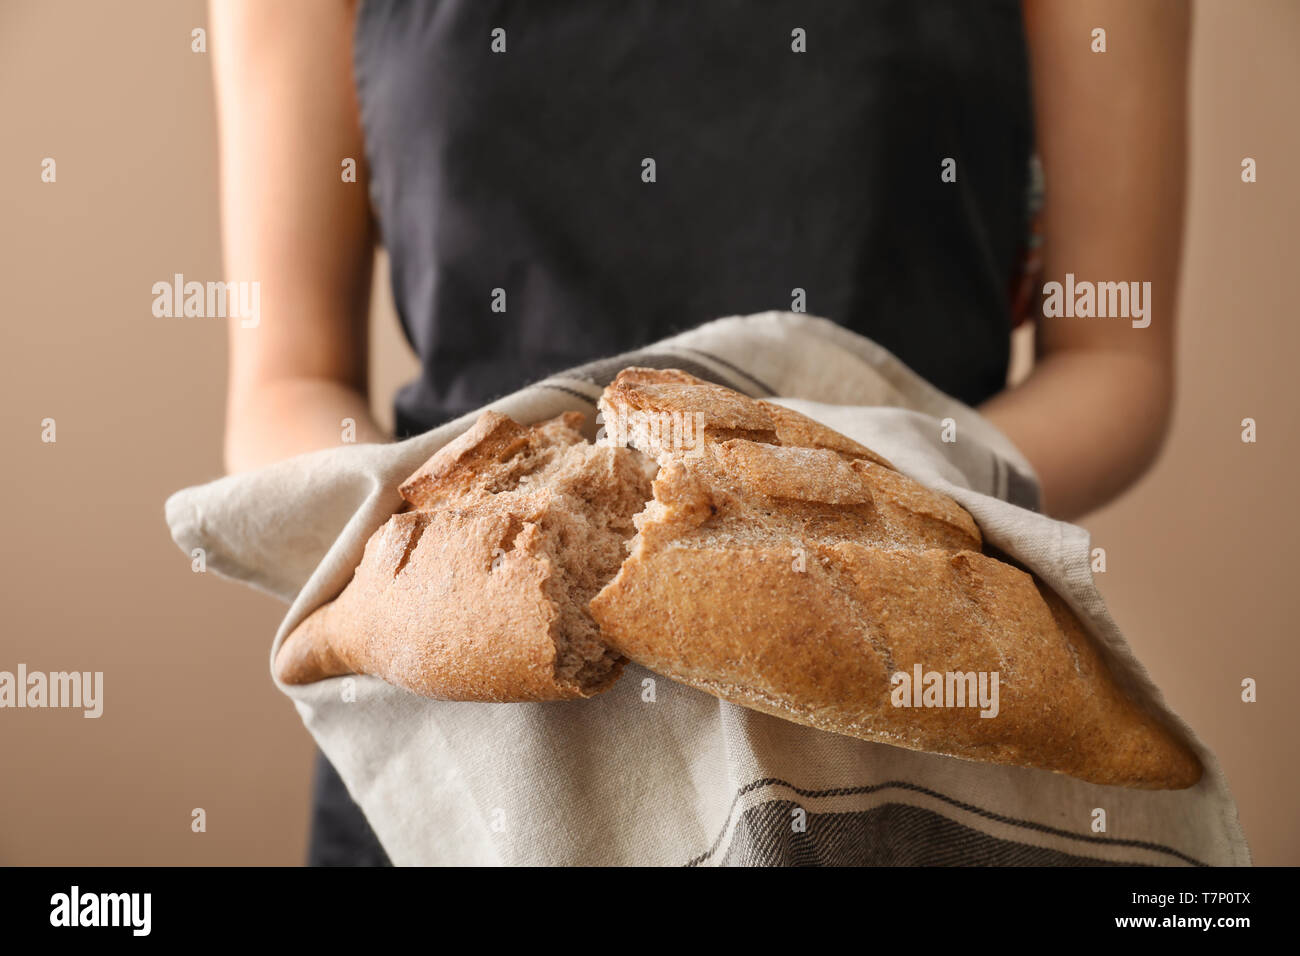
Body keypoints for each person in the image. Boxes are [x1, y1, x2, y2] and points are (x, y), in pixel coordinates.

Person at [211, 0, 1189, 865]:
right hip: (467, 754)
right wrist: (440, 558)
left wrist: (857, 491)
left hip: (898, 727)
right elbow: (289, 380)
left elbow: (1114, 364)